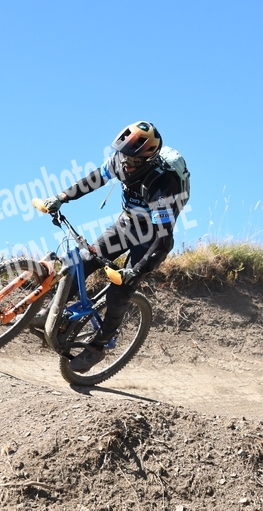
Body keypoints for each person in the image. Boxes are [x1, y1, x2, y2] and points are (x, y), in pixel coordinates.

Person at [32, 121, 190, 373]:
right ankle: (51, 313)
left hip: (151, 235)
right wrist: (61, 197)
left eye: (133, 159)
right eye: (123, 155)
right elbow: (94, 180)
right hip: (127, 222)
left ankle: (99, 346)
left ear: (148, 160)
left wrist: (134, 272)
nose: (126, 163)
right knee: (82, 262)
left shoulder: (162, 185)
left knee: (119, 291)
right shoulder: (121, 160)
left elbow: (164, 241)